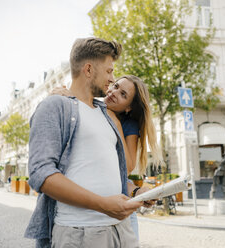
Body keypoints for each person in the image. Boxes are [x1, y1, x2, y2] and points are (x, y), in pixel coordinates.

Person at [25, 37, 146, 248]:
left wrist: (135, 191)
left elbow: (109, 172)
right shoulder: (55, 106)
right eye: (109, 71)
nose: (112, 79)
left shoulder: (107, 115)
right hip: (80, 234)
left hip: (121, 231)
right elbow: (40, 173)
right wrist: (103, 205)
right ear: (88, 70)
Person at [51, 75, 163, 239]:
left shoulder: (127, 124)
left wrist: (115, 123)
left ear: (128, 108)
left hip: (119, 210)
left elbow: (128, 166)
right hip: (84, 213)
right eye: (116, 86)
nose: (114, 92)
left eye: (123, 95)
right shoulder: (94, 106)